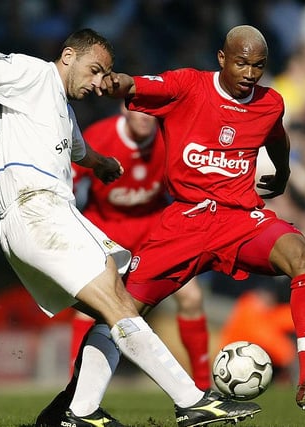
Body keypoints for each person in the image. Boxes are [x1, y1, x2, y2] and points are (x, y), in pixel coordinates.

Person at [0, 28, 261, 427]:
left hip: (46, 216)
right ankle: (191, 401)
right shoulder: (32, 74)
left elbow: (77, 150)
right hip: (37, 210)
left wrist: (102, 164)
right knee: (117, 302)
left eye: (103, 75)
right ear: (67, 56)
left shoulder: (64, 109)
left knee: (119, 302)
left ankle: (79, 412)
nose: (98, 84)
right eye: (94, 71)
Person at [43, 25, 305, 422]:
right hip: (185, 221)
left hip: (240, 218)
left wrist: (283, 171)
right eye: (241, 63)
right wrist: (113, 81)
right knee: (118, 311)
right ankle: (74, 401)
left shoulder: (270, 103)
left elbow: (277, 137)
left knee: (303, 254)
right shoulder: (187, 85)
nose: (249, 73)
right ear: (222, 59)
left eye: (258, 66)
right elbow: (135, 86)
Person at [71, 103, 211, 390]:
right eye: (140, 110)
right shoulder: (99, 135)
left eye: (152, 111)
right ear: (124, 108)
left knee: (192, 298)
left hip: (155, 228)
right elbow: (70, 179)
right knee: (88, 309)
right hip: (106, 229)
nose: (146, 118)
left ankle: (203, 385)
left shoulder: (170, 137)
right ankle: (74, 389)